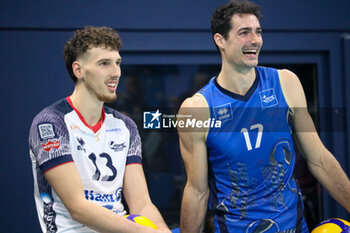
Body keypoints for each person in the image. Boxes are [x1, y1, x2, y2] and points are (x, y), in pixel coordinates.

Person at [177, 1, 350, 232]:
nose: (255, 40)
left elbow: (319, 159)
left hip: (294, 227)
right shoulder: (196, 109)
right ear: (220, 40)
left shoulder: (286, 83)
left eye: (258, 32)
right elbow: (197, 192)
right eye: (244, 32)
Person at [28, 26, 171, 233]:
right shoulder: (50, 123)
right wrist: (144, 232)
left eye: (118, 63)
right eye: (104, 64)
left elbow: (142, 204)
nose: (116, 73)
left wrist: (161, 231)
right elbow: (78, 208)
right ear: (79, 70)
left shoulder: (126, 126)